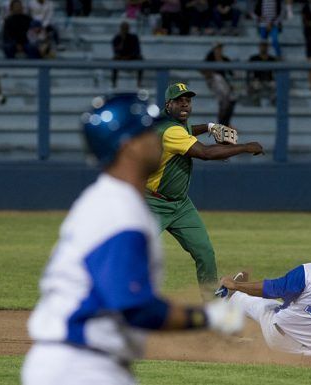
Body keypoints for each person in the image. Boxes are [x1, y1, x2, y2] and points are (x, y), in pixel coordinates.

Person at [21, 93, 244, 385]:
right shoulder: (121, 212)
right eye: (147, 132)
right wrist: (212, 318)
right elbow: (135, 309)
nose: (157, 137)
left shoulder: (109, 199)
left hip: (79, 361)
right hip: (81, 367)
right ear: (128, 147)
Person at [145, 83, 264, 298]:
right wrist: (245, 147)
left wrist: (209, 127)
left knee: (204, 252)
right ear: (168, 104)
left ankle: (211, 305)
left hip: (180, 204)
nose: (184, 104)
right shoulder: (170, 130)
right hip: (153, 204)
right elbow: (206, 153)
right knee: (133, 253)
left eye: (188, 101)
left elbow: (188, 131)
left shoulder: (170, 121)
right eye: (179, 101)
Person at [203, 42, 237, 126]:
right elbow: (203, 70)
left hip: (224, 83)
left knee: (231, 100)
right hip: (214, 81)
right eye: (217, 48)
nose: (219, 50)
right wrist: (208, 74)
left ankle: (225, 123)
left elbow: (231, 73)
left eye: (220, 48)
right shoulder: (209, 58)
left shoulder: (225, 59)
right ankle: (222, 123)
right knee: (217, 79)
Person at [112, 22, 143, 88]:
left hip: (131, 57)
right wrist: (122, 40)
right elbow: (116, 51)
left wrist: (129, 56)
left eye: (126, 28)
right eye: (123, 28)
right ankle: (114, 83)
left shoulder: (134, 37)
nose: (124, 30)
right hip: (121, 57)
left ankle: (139, 82)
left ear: (128, 29)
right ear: (120, 29)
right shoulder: (116, 38)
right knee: (114, 59)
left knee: (141, 58)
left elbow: (137, 50)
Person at [247, 41, 276, 106]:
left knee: (275, 85)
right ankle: (256, 105)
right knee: (254, 85)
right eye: (262, 46)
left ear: (268, 48)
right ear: (259, 47)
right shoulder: (253, 58)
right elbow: (248, 72)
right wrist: (248, 83)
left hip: (269, 80)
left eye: (265, 46)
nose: (263, 48)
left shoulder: (272, 59)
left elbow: (277, 71)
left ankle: (274, 105)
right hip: (257, 80)